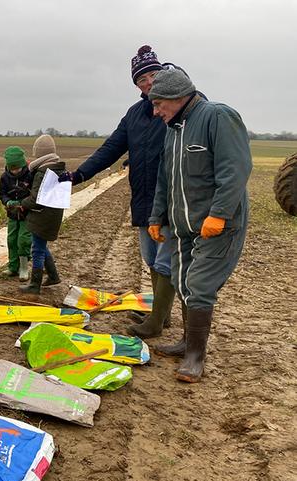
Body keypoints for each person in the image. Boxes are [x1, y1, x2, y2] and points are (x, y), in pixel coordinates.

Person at [60, 46, 177, 339]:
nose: (147, 83)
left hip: (173, 197)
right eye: (141, 80)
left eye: (152, 75)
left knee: (166, 261)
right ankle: (162, 314)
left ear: (163, 73)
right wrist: (80, 174)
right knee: (152, 259)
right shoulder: (135, 114)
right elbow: (111, 148)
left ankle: (157, 321)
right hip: (143, 197)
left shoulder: (180, 107)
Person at [148, 68, 252, 383]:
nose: (155, 111)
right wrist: (157, 216)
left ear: (176, 97)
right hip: (183, 227)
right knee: (182, 280)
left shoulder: (217, 117)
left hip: (217, 225)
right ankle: (185, 342)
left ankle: (196, 356)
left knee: (200, 285)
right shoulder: (173, 129)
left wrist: (219, 213)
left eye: (158, 104)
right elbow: (165, 178)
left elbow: (235, 169)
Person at [19, 135, 66, 294]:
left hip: (42, 215)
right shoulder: (60, 169)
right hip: (53, 214)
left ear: (39, 152)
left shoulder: (43, 172)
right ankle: (53, 276)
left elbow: (36, 199)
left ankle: (34, 284)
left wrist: (21, 204)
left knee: (37, 250)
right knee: (41, 245)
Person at [0, 146, 33, 281]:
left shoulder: (30, 175)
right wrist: (7, 202)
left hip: (27, 214)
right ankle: (13, 267)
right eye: (12, 169)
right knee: (11, 240)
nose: (15, 171)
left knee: (23, 240)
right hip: (12, 214)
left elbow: (34, 193)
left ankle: (24, 268)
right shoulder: (5, 177)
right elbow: (2, 193)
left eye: (17, 168)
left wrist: (24, 203)